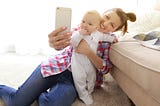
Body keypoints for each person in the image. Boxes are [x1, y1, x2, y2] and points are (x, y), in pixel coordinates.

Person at [0, 8, 136, 106]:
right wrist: (54, 43)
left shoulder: (110, 42)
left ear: (114, 30)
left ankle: (40, 94)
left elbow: (105, 69)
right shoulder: (84, 26)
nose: (105, 23)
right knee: (16, 102)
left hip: (74, 80)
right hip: (55, 66)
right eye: (106, 17)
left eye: (112, 24)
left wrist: (89, 52)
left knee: (51, 103)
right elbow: (63, 43)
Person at [70, 10, 117, 105]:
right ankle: (83, 95)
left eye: (89, 24)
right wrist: (79, 34)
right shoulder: (78, 34)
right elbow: (73, 42)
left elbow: (105, 37)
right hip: (77, 62)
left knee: (92, 76)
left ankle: (90, 90)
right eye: (83, 21)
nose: (85, 25)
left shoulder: (98, 34)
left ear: (96, 26)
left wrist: (112, 39)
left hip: (90, 63)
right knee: (79, 78)